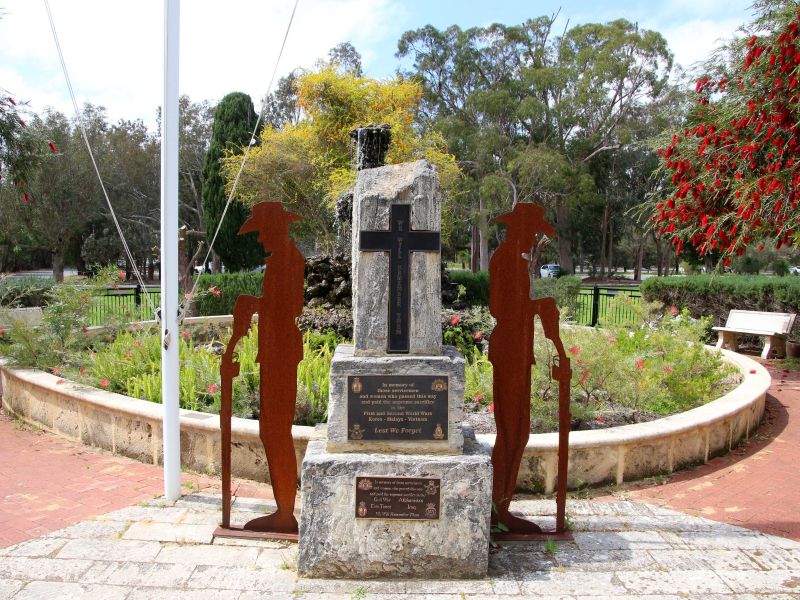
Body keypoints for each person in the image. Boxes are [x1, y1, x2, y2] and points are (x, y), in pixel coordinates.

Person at [221, 202, 304, 534]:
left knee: (275, 431)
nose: (260, 240)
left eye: (263, 232)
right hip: (275, 348)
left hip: (281, 348)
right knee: (270, 430)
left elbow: (289, 306)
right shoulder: (281, 258)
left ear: (276, 228)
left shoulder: (289, 258)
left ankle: (285, 512)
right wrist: (254, 305)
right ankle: (282, 509)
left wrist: (254, 304)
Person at [489, 202, 571, 534]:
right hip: (509, 351)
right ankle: (497, 510)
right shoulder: (505, 258)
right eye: (532, 233)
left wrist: (538, 308)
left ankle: (501, 507)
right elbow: (501, 308)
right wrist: (538, 306)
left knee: (518, 432)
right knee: (510, 432)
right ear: (519, 229)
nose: (534, 240)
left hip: (518, 351)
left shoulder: (518, 260)